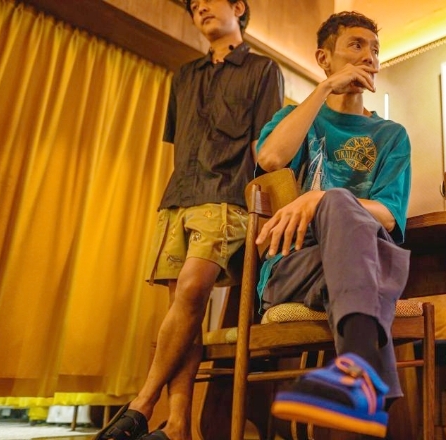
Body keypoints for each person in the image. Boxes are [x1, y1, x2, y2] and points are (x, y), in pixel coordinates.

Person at [94, 1, 284, 439]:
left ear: (239, 7)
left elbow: (264, 149)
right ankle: (178, 424)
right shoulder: (183, 76)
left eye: (208, 0)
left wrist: (268, 208)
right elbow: (180, 147)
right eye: (193, 6)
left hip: (227, 198)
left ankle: (142, 403)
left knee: (192, 289)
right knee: (184, 315)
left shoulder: (263, 70)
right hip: (177, 199)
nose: (199, 8)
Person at [254, 11, 411, 438]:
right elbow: (270, 159)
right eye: (356, 45)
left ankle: (355, 378)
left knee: (358, 244)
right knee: (382, 270)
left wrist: (321, 197)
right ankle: (361, 373)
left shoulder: (391, 135)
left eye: (375, 49)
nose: (369, 57)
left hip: (349, 268)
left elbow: (389, 214)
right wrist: (324, 89)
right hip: (291, 265)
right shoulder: (297, 118)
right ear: (324, 58)